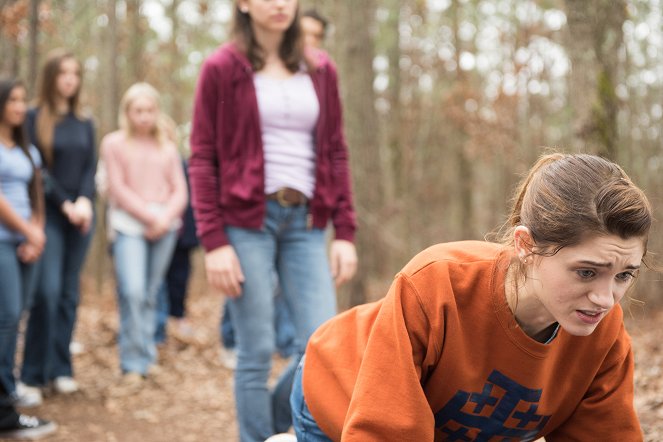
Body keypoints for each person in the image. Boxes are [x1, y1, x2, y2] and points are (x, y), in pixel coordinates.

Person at [291, 153, 651, 441]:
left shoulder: (602, 334)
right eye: (586, 272)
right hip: (341, 393)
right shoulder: (438, 282)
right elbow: (386, 431)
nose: (606, 298)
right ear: (526, 245)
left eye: (623, 275)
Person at [189, 0, 358, 440]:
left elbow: (336, 152)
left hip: (307, 221)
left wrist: (345, 232)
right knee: (256, 350)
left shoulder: (320, 69)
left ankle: (272, 424)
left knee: (323, 344)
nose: (281, 3)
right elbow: (203, 158)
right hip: (246, 222)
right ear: (243, 4)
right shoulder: (221, 68)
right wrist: (214, 241)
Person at [20, 49, 96, 402]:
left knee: (68, 295)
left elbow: (89, 170)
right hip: (47, 217)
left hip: (79, 219)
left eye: (75, 73)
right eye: (63, 73)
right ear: (51, 76)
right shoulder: (34, 118)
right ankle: (33, 374)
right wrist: (65, 203)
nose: (70, 79)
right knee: (46, 293)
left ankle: (61, 369)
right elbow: (38, 172)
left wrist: (83, 202)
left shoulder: (85, 122)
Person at [101, 82, 187, 385]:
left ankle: (146, 355)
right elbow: (117, 188)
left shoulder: (167, 147)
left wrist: (164, 218)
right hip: (129, 226)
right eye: (138, 110)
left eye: (149, 110)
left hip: (165, 226)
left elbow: (180, 190)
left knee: (151, 292)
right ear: (128, 112)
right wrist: (149, 216)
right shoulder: (113, 143)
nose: (144, 116)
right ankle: (132, 362)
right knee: (133, 291)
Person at [0, 77, 45, 409]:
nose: (19, 106)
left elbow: (37, 195)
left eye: (22, 100)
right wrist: (27, 231)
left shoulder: (28, 150)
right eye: (12, 100)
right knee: (8, 314)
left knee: (18, 316)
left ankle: (9, 383)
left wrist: (37, 234)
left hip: (26, 245)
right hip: (3, 241)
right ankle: (4, 391)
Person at [155, 156, 199, 344]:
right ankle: (158, 329)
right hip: (156, 230)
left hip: (182, 236)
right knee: (157, 283)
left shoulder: (186, 165)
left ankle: (177, 317)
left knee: (179, 280)